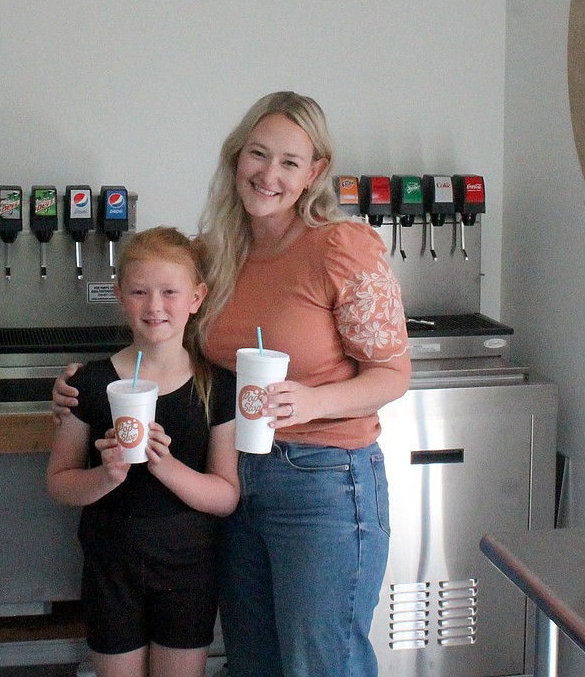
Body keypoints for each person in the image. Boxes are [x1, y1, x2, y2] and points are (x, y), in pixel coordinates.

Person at [57, 91, 411, 677]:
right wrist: (83, 383)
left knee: (321, 662)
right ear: (236, 157)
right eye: (258, 154)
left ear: (314, 174)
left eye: (289, 163)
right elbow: (164, 338)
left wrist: (314, 399)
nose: (268, 174)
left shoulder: (342, 247)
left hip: (322, 480)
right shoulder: (217, 252)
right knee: (254, 660)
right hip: (231, 481)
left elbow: (394, 373)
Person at [45, 226, 239, 677]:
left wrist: (167, 468)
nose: (154, 306)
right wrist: (105, 476)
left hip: (189, 568)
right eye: (139, 292)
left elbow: (226, 496)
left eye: (169, 292)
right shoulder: (88, 385)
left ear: (196, 297)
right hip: (111, 566)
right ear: (119, 295)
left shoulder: (219, 388)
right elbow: (58, 482)